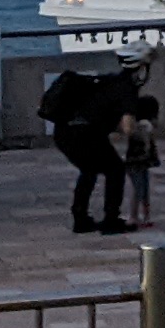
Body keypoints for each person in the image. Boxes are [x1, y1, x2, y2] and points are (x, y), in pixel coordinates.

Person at [46, 58, 132, 234]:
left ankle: (80, 218)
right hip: (85, 134)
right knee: (116, 169)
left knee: (89, 169)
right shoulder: (127, 88)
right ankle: (111, 220)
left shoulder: (107, 81)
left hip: (63, 132)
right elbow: (128, 128)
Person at [120, 92, 160, 229]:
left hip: (135, 161)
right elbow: (148, 141)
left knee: (141, 188)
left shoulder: (136, 124)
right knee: (140, 189)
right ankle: (137, 216)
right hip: (138, 162)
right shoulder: (145, 125)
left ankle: (140, 215)